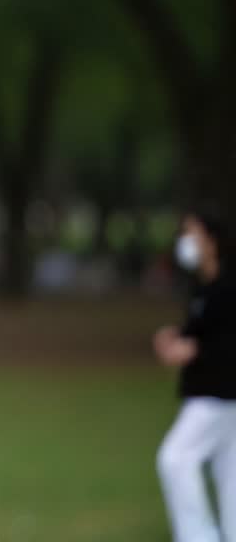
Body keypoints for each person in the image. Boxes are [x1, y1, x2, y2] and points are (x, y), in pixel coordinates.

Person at [155, 210, 236, 542]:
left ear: (211, 241)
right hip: (216, 395)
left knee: (174, 459)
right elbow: (197, 334)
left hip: (217, 395)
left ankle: (198, 537)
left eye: (191, 233)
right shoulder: (205, 291)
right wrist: (175, 340)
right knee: (230, 474)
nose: (184, 242)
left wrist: (194, 350)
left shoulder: (228, 289)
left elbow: (223, 343)